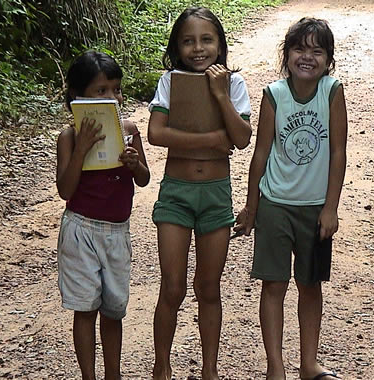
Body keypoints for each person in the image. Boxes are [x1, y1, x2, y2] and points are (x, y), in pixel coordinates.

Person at [234, 17, 347, 380]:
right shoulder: (274, 94)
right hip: (275, 203)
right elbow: (261, 154)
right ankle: (275, 366)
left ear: (329, 59)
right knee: (274, 284)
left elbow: (339, 152)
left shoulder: (332, 91)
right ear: (287, 55)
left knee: (310, 284)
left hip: (315, 208)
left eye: (317, 50)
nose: (307, 57)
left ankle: (309, 362)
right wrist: (252, 207)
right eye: (300, 48)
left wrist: (331, 207)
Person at [146, 6, 252, 380]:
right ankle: (162, 366)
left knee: (208, 287)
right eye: (188, 41)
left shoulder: (234, 85)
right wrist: (211, 140)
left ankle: (210, 369)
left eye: (207, 39)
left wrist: (221, 96)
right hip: (176, 194)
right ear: (177, 46)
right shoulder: (169, 81)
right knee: (172, 287)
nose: (198, 48)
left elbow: (240, 139)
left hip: (216, 196)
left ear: (220, 44)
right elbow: (155, 134)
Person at [56, 50, 150, 380]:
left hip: (117, 233)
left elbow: (144, 178)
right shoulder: (68, 138)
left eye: (116, 89)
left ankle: (114, 374)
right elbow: (65, 190)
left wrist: (135, 163)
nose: (112, 97)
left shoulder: (128, 130)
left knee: (113, 310)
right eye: (101, 91)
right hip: (80, 230)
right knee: (85, 309)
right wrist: (81, 150)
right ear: (76, 97)